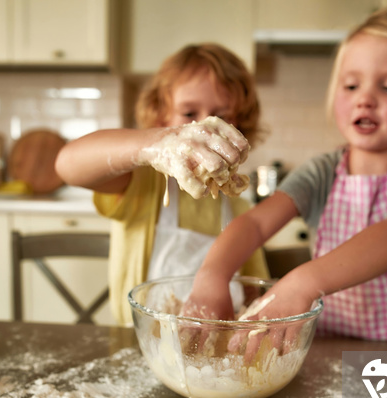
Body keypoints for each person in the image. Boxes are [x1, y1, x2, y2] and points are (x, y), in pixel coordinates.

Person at [188, 6, 387, 346]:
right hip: (328, 346)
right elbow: (256, 224)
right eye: (351, 85)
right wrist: (212, 275)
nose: (366, 99)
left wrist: (303, 282)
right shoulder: (321, 173)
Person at [55, 43, 269, 325]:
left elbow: (253, 288)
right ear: (161, 119)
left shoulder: (239, 205)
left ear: (239, 124)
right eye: (189, 114)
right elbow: (68, 165)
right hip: (142, 342)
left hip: (217, 350)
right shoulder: (141, 186)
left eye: (222, 115)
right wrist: (154, 145)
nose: (203, 127)